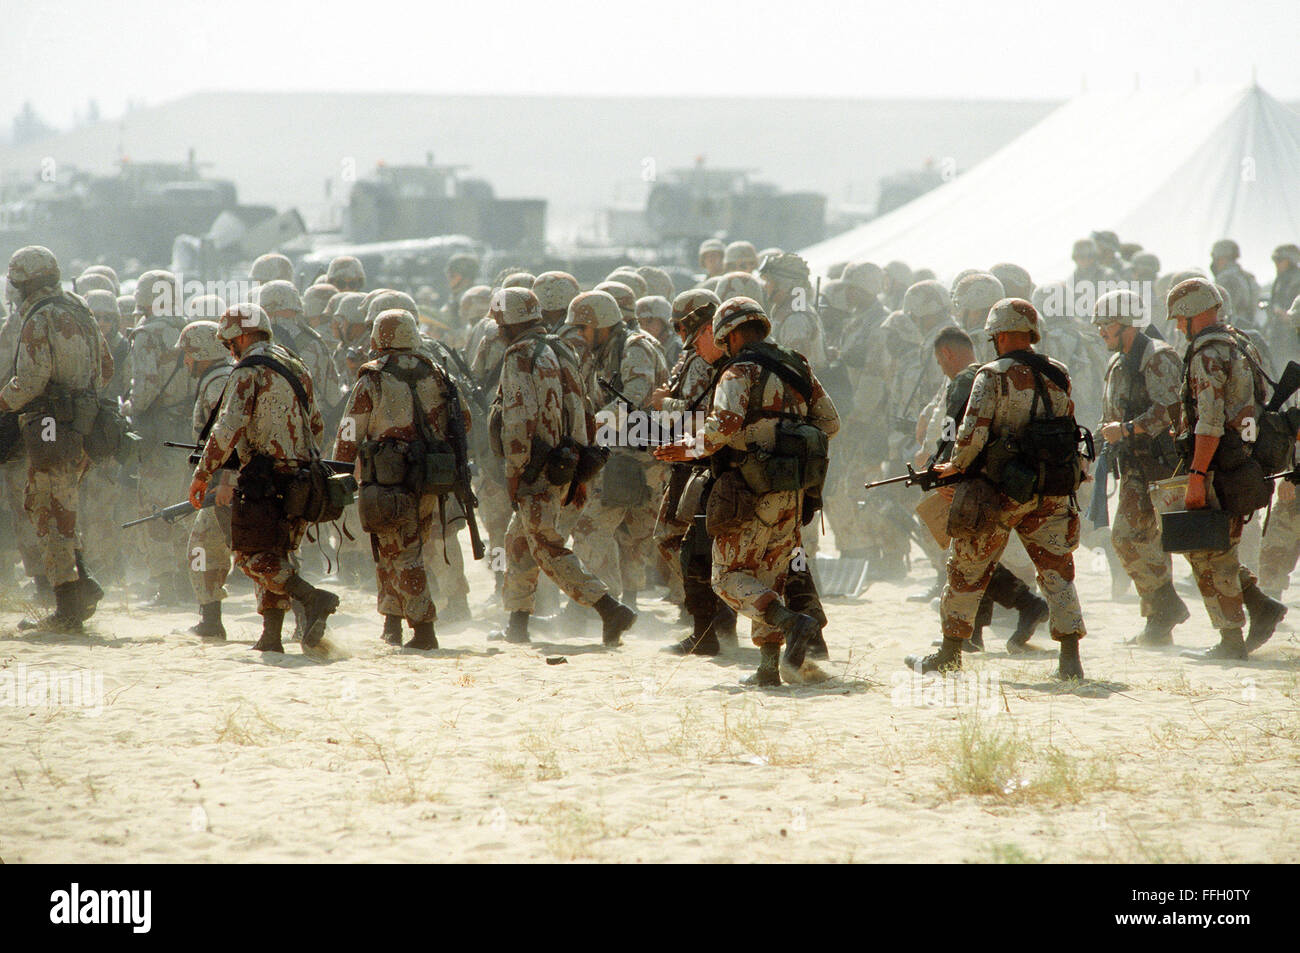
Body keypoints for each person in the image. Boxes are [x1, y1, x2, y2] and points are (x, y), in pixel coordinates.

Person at [655, 296, 840, 686]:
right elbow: (829, 421)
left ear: (734, 333)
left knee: (727, 578)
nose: (725, 347)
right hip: (793, 490)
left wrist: (686, 447)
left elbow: (721, 428)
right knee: (770, 577)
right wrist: (785, 436)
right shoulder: (798, 365)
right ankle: (767, 669)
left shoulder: (738, 371)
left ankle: (793, 622)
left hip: (747, 488)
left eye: (725, 340)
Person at [914, 298, 1087, 679]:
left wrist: (952, 469)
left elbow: (972, 433)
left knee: (966, 567)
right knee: (1058, 572)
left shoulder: (991, 375)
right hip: (1052, 486)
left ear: (1002, 335)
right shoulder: (1058, 372)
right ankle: (1070, 660)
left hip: (1000, 491)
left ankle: (950, 651)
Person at [188, 304, 339, 653]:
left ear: (240, 335)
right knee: (279, 552)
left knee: (250, 555)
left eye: (229, 342)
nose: (229, 349)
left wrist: (204, 474)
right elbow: (316, 423)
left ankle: (312, 598)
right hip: (304, 480)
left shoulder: (247, 370)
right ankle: (271, 637)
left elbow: (227, 427)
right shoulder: (295, 365)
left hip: (265, 481)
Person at [490, 288, 637, 646]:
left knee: (545, 546)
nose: (497, 329)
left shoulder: (520, 354)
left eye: (499, 322)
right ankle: (518, 623)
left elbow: (518, 419)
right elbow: (583, 408)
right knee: (518, 541)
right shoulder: (560, 348)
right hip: (565, 464)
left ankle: (609, 608)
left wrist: (513, 472)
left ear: (509, 323)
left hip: (535, 469)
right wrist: (580, 471)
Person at [1167, 278, 1287, 659]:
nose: (1175, 327)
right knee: (1215, 548)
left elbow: (1210, 420)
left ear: (1190, 314)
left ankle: (1231, 640)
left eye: (1178, 319)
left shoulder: (1208, 352)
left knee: (1209, 549)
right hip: (1242, 460)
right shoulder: (1238, 341)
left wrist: (1197, 475)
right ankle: (1261, 607)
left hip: (1221, 462)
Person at [334, 309, 465, 650]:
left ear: (379, 338)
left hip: (389, 479)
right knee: (398, 547)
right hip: (431, 478)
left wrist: (341, 472)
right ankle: (392, 620)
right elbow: (461, 420)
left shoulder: (373, 378)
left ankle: (424, 630)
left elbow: (350, 432)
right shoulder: (436, 374)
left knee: (400, 552)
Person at [1, 246, 113, 630]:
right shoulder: (79, 307)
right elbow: (107, 366)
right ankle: (84, 586)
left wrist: (3, 400)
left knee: (47, 511)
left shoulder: (38, 316)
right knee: (62, 507)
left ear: (24, 283)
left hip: (49, 425)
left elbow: (31, 380)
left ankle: (67, 609)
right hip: (81, 425)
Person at [926, 326, 1048, 652]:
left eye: (941, 361)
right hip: (1002, 477)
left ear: (947, 353)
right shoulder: (990, 375)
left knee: (970, 555)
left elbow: (954, 433)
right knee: (978, 552)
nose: (942, 368)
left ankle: (1023, 606)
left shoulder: (965, 381)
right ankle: (976, 633)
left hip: (974, 480)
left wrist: (940, 472)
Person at [1091, 290, 1187, 644]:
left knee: (1196, 545)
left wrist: (1128, 429)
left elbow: (1170, 410)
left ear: (1126, 323)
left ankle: (1255, 604)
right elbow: (1110, 416)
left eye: (1106, 324)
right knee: (1129, 538)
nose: (1101, 330)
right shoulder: (1118, 362)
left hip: (1166, 467)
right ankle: (1162, 614)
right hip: (1136, 467)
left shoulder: (1158, 357)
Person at [178, 317, 235, 639]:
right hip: (229, 479)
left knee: (202, 547)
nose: (185, 360)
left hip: (226, 481)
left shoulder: (217, 383)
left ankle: (211, 620)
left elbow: (229, 435)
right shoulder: (224, 377)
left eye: (188, 352)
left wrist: (224, 479)